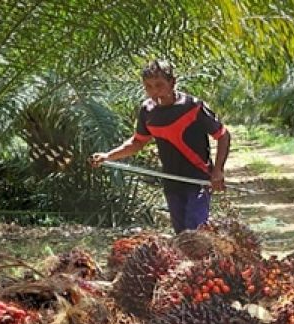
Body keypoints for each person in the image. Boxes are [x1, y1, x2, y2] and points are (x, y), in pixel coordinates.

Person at [92, 59, 232, 234]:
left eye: (159, 85)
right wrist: (108, 156)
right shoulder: (147, 111)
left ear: (172, 82)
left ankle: (205, 259)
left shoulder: (193, 107)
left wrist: (218, 170)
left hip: (198, 179)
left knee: (195, 232)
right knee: (181, 234)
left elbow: (223, 135)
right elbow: (137, 142)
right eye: (148, 87)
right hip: (171, 181)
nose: (154, 92)